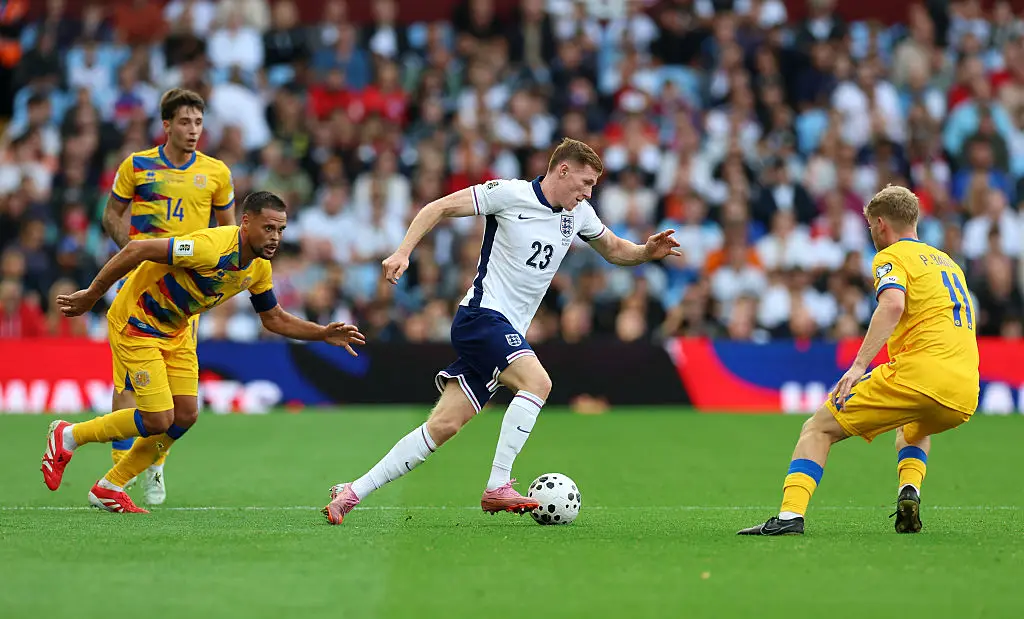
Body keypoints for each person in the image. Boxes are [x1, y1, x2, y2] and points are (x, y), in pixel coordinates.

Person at [323, 137, 681, 524]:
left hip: (504, 331)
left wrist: (645, 251)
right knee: (538, 383)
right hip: (481, 317)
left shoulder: (578, 214)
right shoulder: (509, 194)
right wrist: (403, 252)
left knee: (442, 426)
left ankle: (351, 493)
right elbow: (438, 207)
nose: (588, 192)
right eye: (585, 182)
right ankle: (497, 486)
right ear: (563, 170)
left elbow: (613, 249)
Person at [41, 192, 365, 514]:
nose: (275, 237)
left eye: (280, 229)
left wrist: (321, 333)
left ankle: (109, 487)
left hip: (177, 330)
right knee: (158, 419)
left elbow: (274, 318)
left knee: (185, 415)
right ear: (246, 221)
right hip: (137, 321)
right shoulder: (209, 247)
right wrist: (93, 295)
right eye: (268, 228)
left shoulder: (258, 268)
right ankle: (68, 435)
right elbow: (138, 249)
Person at [738, 185, 979, 536]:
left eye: (870, 226)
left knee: (817, 428)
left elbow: (893, 304)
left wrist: (858, 367)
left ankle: (790, 517)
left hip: (919, 375)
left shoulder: (891, 257)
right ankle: (908, 491)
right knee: (913, 427)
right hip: (964, 391)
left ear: (881, 224)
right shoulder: (949, 263)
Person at [100, 87, 237, 505]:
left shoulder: (216, 173)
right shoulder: (137, 166)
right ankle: (117, 476)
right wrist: (132, 251)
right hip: (139, 288)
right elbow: (111, 214)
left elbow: (227, 236)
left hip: (184, 298)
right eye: (184, 122)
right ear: (166, 125)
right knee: (126, 387)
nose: (193, 130)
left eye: (198, 122)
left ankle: (155, 464)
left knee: (180, 401)